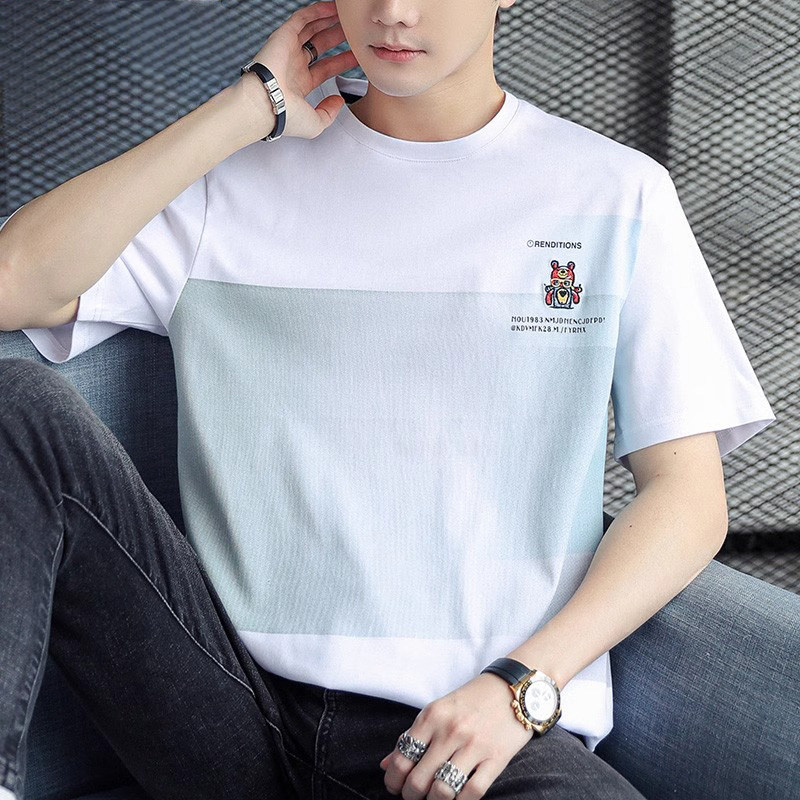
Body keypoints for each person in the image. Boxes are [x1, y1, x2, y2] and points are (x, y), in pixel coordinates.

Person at [0, 0, 777, 798]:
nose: (394, 13)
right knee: (16, 406)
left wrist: (522, 686)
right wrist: (248, 106)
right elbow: (12, 281)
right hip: (225, 704)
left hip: (462, 731)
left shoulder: (616, 194)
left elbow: (688, 497)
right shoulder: (227, 188)